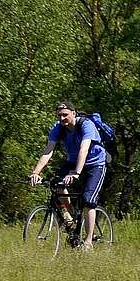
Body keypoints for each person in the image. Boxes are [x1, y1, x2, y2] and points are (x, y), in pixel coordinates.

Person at [28, 101, 107, 251]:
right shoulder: (58, 128)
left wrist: (76, 173)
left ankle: (88, 241)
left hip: (95, 163)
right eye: (59, 115)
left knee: (88, 200)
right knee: (56, 184)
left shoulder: (86, 125)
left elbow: (84, 149)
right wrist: (36, 172)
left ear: (73, 113)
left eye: (65, 115)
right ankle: (70, 217)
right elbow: (48, 150)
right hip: (72, 161)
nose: (62, 118)